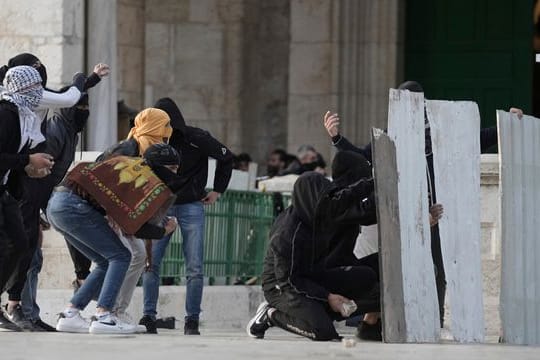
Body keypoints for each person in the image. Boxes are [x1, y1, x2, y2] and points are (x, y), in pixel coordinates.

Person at [322, 80, 505, 327]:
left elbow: (476, 138)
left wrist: (505, 127)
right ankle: (383, 317)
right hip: (406, 213)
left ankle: (434, 318)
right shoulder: (394, 133)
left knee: (435, 267)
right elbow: (364, 158)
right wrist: (337, 139)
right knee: (402, 267)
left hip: (436, 212)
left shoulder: (442, 130)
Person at [6, 64, 110, 332]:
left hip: (31, 199)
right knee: (25, 252)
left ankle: (25, 309)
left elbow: (70, 96)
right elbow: (34, 171)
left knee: (27, 252)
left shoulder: (60, 127)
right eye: (81, 110)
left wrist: (91, 80)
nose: (84, 113)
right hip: (26, 198)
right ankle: (19, 309)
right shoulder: (20, 118)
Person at [49, 145, 179, 334]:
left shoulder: (129, 163)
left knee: (104, 261)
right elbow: (135, 227)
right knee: (121, 256)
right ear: (160, 165)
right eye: (173, 169)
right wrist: (164, 231)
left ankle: (70, 314)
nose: (175, 174)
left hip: (57, 205)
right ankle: (103, 316)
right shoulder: (142, 176)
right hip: (73, 207)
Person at [247, 171, 380, 341]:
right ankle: (270, 315)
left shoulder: (323, 210)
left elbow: (348, 195)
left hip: (313, 276)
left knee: (368, 278)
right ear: (311, 201)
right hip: (282, 286)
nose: (330, 204)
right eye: (325, 199)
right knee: (323, 331)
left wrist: (375, 181)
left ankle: (316, 311)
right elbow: (290, 281)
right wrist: (328, 297)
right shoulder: (288, 234)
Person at [140, 97, 233, 335]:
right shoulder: (151, 140)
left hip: (190, 204)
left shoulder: (196, 138)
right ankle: (148, 317)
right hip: (162, 205)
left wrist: (218, 190)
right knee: (151, 263)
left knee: (194, 266)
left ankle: (192, 319)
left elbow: (226, 156)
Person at [0, 66, 54, 330]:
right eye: (33, 88)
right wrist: (27, 160)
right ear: (20, 89)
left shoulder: (23, 116)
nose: (38, 94)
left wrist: (32, 168)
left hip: (5, 191)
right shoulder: (5, 114)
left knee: (20, 244)